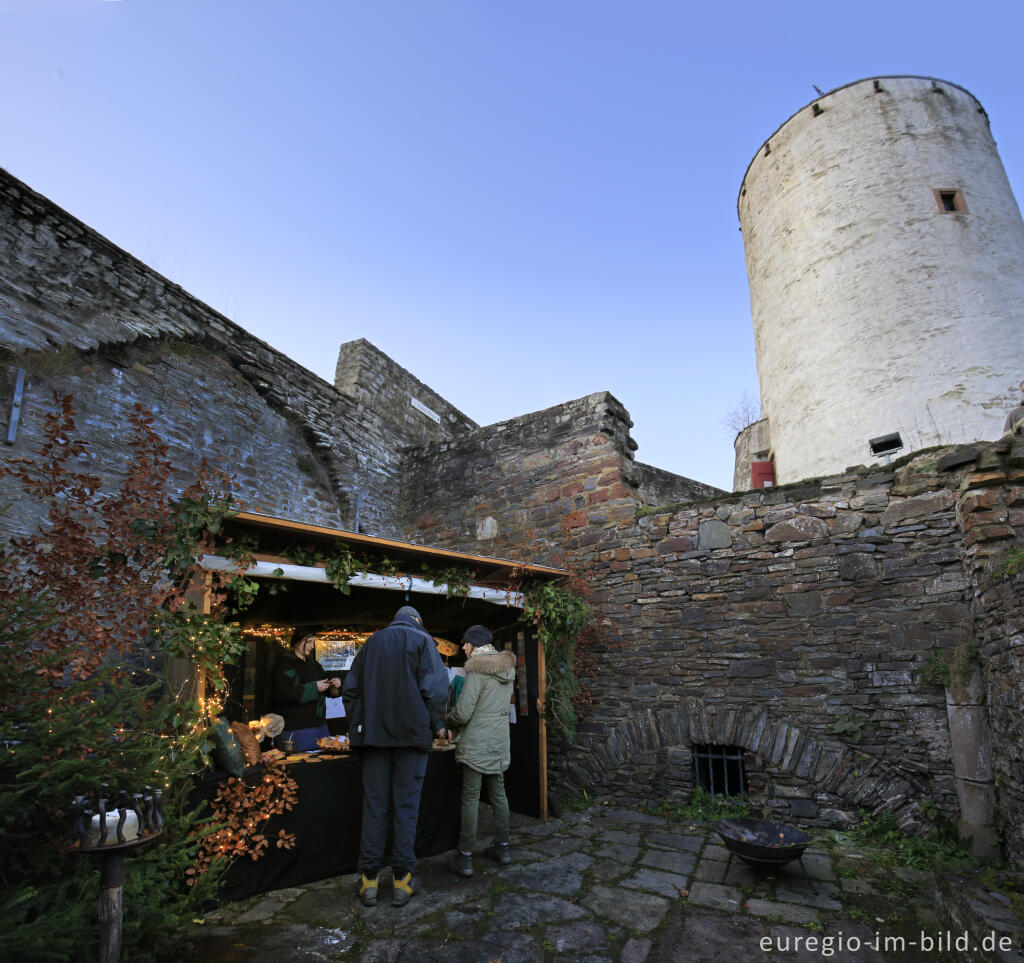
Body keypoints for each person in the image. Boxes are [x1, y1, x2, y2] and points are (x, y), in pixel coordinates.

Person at [342, 605, 449, 908]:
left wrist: (360, 725)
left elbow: (351, 690)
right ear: (418, 620)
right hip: (412, 741)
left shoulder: (372, 643)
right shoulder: (423, 641)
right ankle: (402, 882)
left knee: (375, 807)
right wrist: (435, 724)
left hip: (374, 740)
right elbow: (437, 691)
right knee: (406, 807)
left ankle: (369, 883)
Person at [444, 624, 516, 878]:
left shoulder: (476, 668)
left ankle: (465, 859)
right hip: (498, 742)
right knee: (499, 795)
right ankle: (503, 849)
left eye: (466, 642)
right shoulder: (507, 668)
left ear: (475, 644)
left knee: (471, 798)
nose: (463, 647)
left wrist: (448, 719)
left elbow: (463, 712)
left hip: (476, 743)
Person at [273, 627, 340, 752]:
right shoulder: (285, 664)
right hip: (297, 729)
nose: (312, 646)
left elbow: (326, 685)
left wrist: (333, 684)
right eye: (308, 642)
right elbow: (284, 694)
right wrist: (314, 687)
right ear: (297, 641)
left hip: (320, 726)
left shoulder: (314, 664)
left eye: (313, 642)